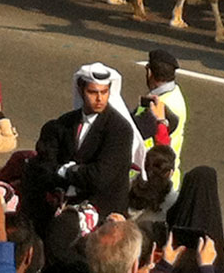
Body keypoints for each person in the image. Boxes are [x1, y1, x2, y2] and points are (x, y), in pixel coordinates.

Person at [24, 63, 139, 232]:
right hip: (64, 212)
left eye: (104, 92)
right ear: (80, 89)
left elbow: (100, 177)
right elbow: (45, 166)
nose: (99, 99)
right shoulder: (63, 124)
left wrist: (66, 171)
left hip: (102, 218)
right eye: (93, 92)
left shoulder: (119, 129)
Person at [138, 49, 186, 188]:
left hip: (154, 180)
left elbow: (132, 132)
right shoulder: (174, 94)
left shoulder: (160, 106)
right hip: (165, 176)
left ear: (149, 72)